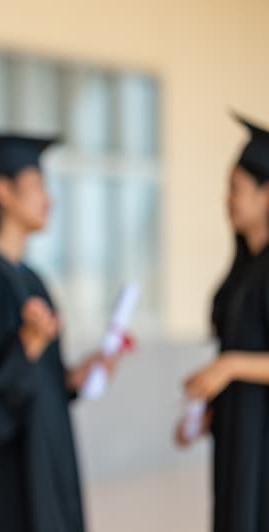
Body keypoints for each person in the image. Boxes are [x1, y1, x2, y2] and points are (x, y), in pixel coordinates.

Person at [0, 134, 122, 532]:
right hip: (5, 474)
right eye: (37, 185)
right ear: (2, 191)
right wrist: (28, 344)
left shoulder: (30, 279)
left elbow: (41, 382)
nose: (48, 199)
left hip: (43, 456)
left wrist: (74, 377)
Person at [179, 114, 269, 532]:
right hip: (236, 435)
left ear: (266, 193)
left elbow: (234, 359)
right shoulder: (241, 271)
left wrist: (229, 365)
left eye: (236, 188)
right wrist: (204, 413)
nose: (227, 199)